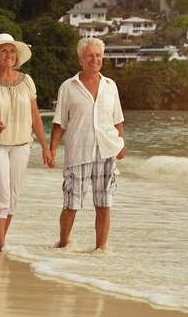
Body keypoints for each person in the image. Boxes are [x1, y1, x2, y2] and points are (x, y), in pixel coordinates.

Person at [0, 33, 54, 252]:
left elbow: (35, 118)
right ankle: (1, 244)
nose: (10, 55)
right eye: (4, 51)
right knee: (1, 195)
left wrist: (46, 147)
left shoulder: (27, 81)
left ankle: (0, 239)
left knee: (13, 196)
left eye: (13, 50)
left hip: (22, 146)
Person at [49, 37, 127, 251]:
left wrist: (121, 143)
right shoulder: (68, 87)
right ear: (81, 59)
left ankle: (100, 249)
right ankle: (63, 243)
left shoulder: (111, 86)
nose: (95, 59)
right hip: (78, 153)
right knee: (71, 205)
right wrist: (52, 149)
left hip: (107, 152)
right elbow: (59, 123)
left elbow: (117, 119)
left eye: (98, 55)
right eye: (90, 55)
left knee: (104, 205)